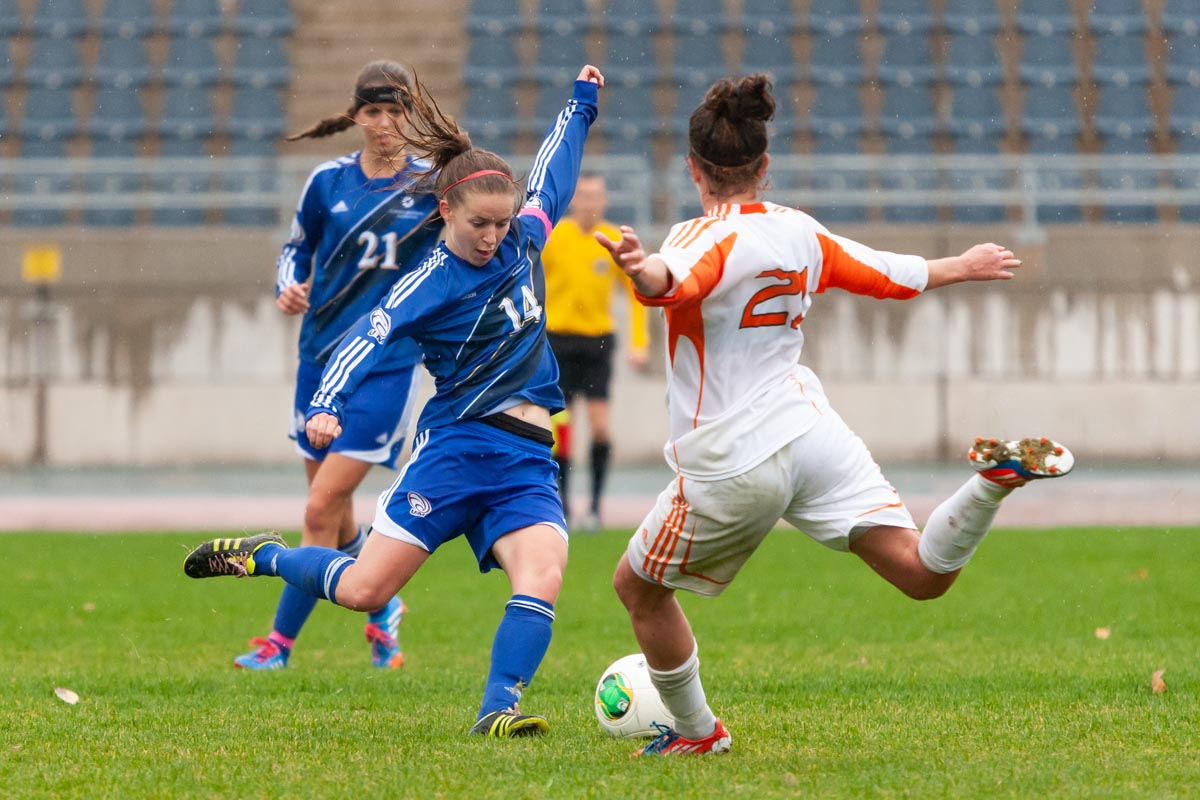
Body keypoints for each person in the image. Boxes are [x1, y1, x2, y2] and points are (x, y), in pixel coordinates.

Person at [594, 74, 1076, 756]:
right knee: (920, 574)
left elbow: (678, 280)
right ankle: (990, 483)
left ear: (693, 169)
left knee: (638, 591)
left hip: (735, 457)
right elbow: (882, 273)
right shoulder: (798, 230)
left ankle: (700, 736)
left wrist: (642, 272)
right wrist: (960, 265)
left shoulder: (700, 235)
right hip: (809, 430)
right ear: (764, 166)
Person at [184, 65, 607, 737]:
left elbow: (553, 170)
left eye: (501, 223)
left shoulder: (524, 239)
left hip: (527, 458)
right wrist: (328, 400)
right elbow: (366, 336)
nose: (493, 237)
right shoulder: (426, 284)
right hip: (457, 453)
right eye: (479, 225)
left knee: (543, 574)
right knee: (363, 590)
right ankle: (264, 557)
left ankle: (498, 709)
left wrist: (580, 104)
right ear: (445, 212)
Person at [241, 61, 442, 671]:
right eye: (374, 112)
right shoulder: (327, 182)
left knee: (316, 510)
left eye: (397, 111)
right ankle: (384, 608)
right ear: (356, 116)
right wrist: (287, 285)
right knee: (333, 511)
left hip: (384, 367)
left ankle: (278, 645)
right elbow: (296, 246)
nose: (386, 123)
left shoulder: (433, 188)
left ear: (413, 115)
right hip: (317, 356)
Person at [542, 172, 650, 531]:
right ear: (573, 200)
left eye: (596, 197)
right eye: (583, 196)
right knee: (562, 428)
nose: (589, 203)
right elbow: (530, 284)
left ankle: (595, 507)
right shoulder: (555, 238)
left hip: (598, 342)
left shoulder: (614, 238)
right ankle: (564, 505)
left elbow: (637, 291)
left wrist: (639, 342)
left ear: (604, 202)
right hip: (557, 340)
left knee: (601, 427)